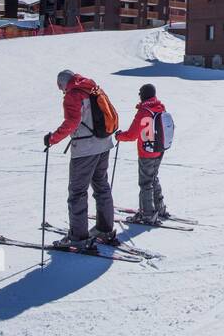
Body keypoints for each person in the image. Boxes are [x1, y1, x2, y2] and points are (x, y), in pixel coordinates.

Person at [44, 70, 117, 246]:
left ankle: (78, 237)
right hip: (104, 143)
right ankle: (105, 229)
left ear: (63, 83)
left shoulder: (73, 94)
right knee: (102, 186)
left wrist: (53, 138)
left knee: (77, 192)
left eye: (61, 87)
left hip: (85, 149)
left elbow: (72, 122)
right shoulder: (93, 88)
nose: (62, 91)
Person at [115, 83, 169, 223]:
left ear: (144, 95)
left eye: (140, 93)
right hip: (159, 149)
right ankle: (159, 208)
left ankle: (147, 214)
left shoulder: (144, 111)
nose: (139, 96)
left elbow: (132, 135)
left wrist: (119, 136)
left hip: (147, 152)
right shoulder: (159, 107)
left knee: (145, 182)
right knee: (153, 177)